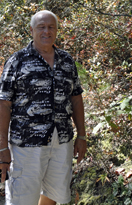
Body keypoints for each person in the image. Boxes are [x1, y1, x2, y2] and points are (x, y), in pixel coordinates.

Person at [0, 10, 87, 205]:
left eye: (51, 27)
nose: (46, 31)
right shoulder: (17, 61)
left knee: (54, 194)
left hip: (62, 140)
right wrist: (2, 146)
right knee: (22, 198)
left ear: (56, 30)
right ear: (31, 30)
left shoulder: (66, 61)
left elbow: (76, 99)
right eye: (41, 27)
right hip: (26, 143)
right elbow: (3, 105)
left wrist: (81, 135)